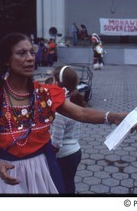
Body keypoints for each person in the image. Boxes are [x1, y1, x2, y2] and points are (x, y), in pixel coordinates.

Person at [0, 33, 130, 194]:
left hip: (44, 170)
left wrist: (114, 117)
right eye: (22, 53)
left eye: (32, 52)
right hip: (8, 173)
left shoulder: (45, 94)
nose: (30, 58)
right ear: (7, 60)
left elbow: (82, 113)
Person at [49, 65, 86, 194]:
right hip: (75, 151)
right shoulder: (74, 102)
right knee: (69, 185)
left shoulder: (61, 111)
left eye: (53, 80)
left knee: (61, 188)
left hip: (64, 156)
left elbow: (56, 144)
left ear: (57, 83)